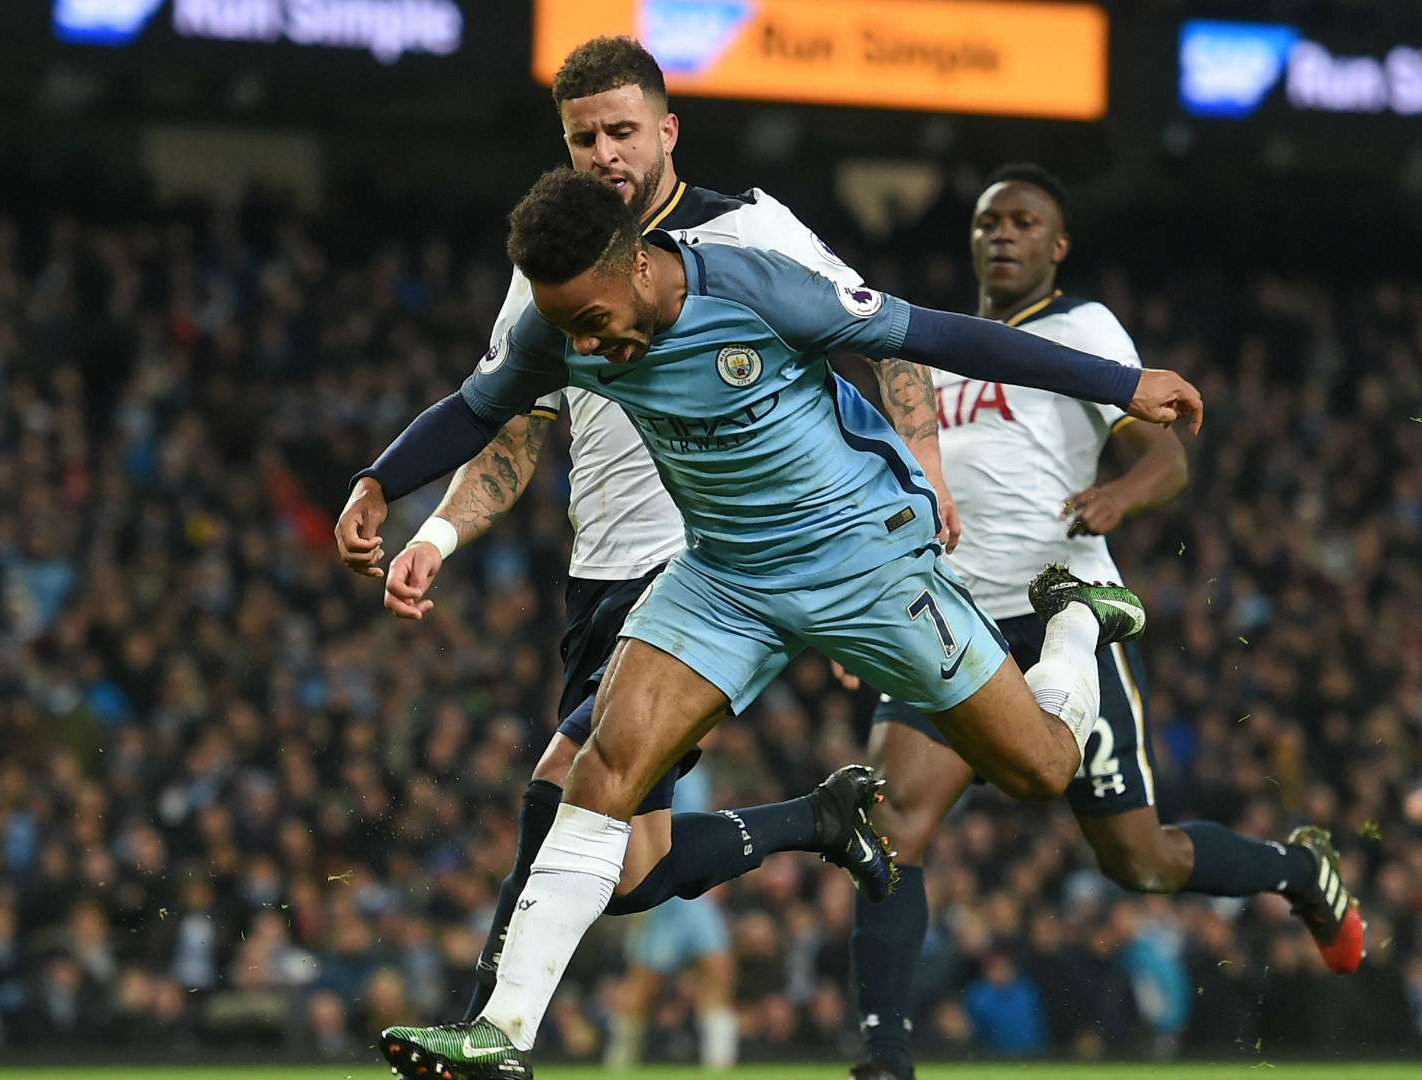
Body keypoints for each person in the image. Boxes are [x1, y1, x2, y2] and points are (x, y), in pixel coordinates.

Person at [367, 166, 1203, 1078]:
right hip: (724, 577)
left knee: (1040, 768)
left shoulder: (758, 288)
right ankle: (502, 1033)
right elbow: (473, 411)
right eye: (568, 329)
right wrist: (378, 484)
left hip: (868, 565)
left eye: (594, 321)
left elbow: (939, 335)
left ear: (639, 264)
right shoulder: (556, 322)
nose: (586, 347)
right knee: (601, 768)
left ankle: (1076, 621)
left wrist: (1122, 383)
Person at [335, 35, 934, 1024]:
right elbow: (511, 427)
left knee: (559, 784)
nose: (605, 153)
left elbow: (892, 345)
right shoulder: (555, 261)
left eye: (622, 130)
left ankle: (484, 1030)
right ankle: (819, 820)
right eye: (584, 138)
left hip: (699, 568)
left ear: (667, 130)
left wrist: (925, 490)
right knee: (632, 869)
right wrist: (434, 535)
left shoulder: (751, 231)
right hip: (598, 574)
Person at [843, 164, 1365, 1080]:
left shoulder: (1080, 329)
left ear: (1058, 244)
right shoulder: (933, 347)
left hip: (1065, 614)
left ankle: (1296, 872)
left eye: (1023, 221)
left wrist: (1121, 497)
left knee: (1141, 861)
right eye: (989, 222)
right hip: (949, 617)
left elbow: (1167, 454)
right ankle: (885, 1056)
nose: (1003, 235)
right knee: (890, 828)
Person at [604, 764, 738, 1073]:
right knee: (645, 983)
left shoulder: (699, 772)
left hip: (697, 888)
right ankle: (618, 1063)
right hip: (663, 889)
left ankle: (720, 1065)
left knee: (718, 968)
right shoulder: (657, 764)